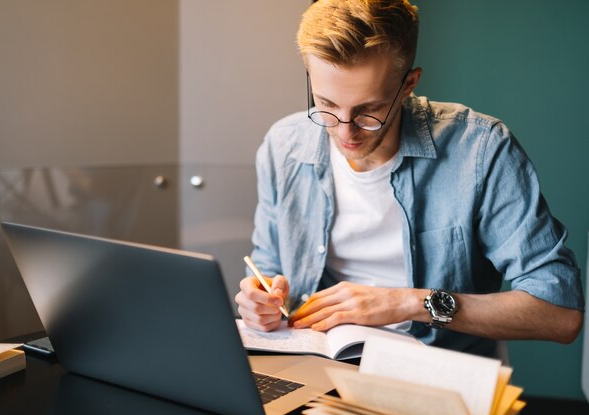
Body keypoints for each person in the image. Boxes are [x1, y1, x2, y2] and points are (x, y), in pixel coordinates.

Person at [234, 0, 584, 357]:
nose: (345, 131)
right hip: (318, 362)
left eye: (369, 110)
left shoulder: (480, 151)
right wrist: (260, 303)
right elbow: (268, 272)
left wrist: (410, 303)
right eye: (326, 104)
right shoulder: (284, 145)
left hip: (437, 370)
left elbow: (560, 313)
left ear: (409, 84)